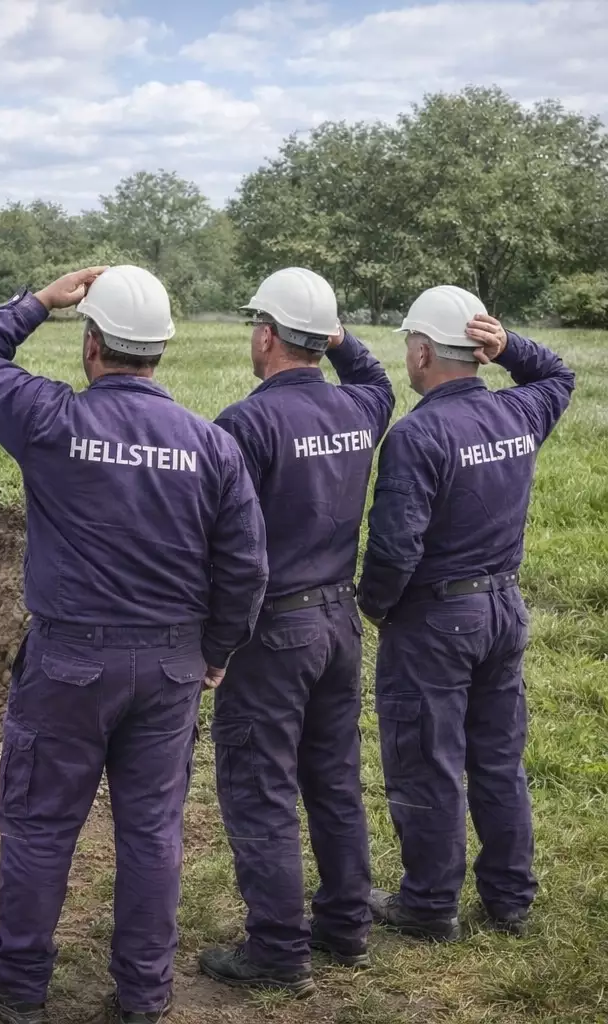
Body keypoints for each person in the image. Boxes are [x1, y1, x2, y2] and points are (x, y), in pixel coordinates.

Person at [0, 265, 268, 1024]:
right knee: (152, 832)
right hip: (170, 665)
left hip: (69, 663)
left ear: (92, 345)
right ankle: (145, 994)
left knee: (41, 824)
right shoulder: (211, 445)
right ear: (160, 351)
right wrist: (215, 651)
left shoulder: (51, 420)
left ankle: (18, 982)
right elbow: (247, 566)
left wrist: (38, 301)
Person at [196, 268, 394, 995]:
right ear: (324, 339)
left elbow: (221, 545)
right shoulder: (360, 408)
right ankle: (346, 927)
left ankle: (277, 951)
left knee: (262, 788)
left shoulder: (244, 424)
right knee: (334, 780)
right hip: (338, 621)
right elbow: (376, 377)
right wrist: (341, 337)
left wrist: (214, 643)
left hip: (271, 631)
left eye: (258, 326)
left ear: (268, 335)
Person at [357, 285, 575, 941]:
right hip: (504, 608)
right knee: (499, 760)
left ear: (423, 352)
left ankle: (428, 906)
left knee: (427, 761)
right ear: (478, 353)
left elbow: (395, 548)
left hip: (435, 620)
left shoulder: (417, 434)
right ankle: (510, 900)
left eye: (408, 346)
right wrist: (513, 348)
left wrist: (375, 607)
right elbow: (559, 373)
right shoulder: (520, 412)